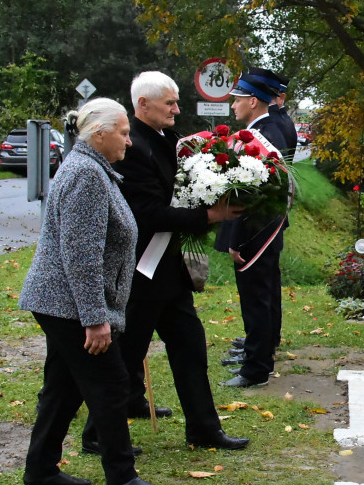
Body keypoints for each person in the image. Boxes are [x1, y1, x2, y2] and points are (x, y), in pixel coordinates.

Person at [82, 71, 249, 451]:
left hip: (170, 269)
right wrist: (209, 217)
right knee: (125, 356)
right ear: (143, 104)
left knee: (191, 347)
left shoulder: (168, 139)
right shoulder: (132, 147)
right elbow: (147, 213)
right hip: (140, 271)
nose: (177, 108)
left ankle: (204, 429)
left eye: (176, 101)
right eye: (170, 103)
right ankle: (96, 434)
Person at [19, 98, 172, 485]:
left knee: (64, 386)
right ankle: (122, 480)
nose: (130, 140)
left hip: (61, 301)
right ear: (98, 134)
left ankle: (40, 468)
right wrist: (95, 319)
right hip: (69, 303)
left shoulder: (93, 168)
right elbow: (81, 255)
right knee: (110, 384)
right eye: (123, 133)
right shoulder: (86, 174)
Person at [216, 70, 291, 388]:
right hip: (264, 228)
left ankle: (256, 367)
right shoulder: (266, 128)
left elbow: (252, 195)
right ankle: (258, 355)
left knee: (256, 297)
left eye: (237, 100)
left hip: (256, 230)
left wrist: (237, 238)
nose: (233, 107)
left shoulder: (263, 135)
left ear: (252, 101)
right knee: (263, 294)